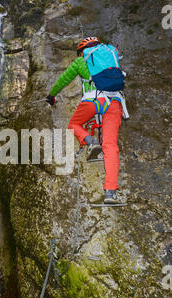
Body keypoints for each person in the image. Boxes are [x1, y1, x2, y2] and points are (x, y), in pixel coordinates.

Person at [46, 37, 123, 204]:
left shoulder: (81, 61)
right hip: (114, 103)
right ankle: (110, 192)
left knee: (74, 124)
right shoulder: (111, 54)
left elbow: (63, 80)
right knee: (111, 146)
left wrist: (51, 96)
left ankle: (91, 141)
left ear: (82, 51)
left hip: (93, 101)